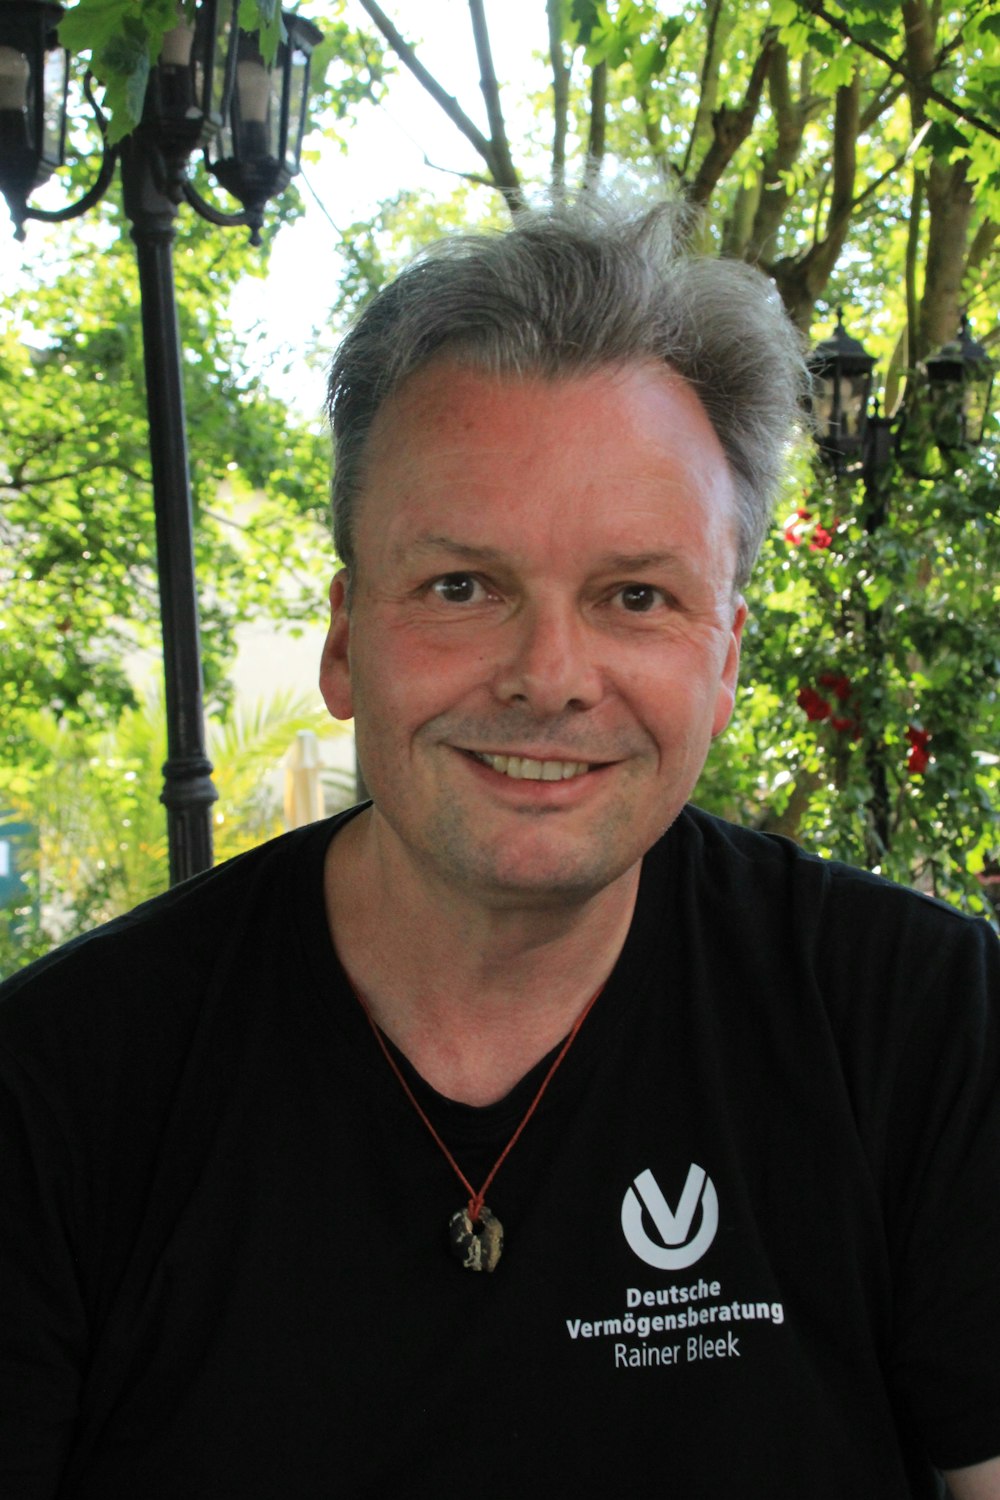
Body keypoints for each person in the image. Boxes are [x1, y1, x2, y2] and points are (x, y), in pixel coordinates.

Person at [1, 200, 998, 1500]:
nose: (549, 677)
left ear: (727, 659)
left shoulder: (922, 1027)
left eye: (635, 596)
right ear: (349, 638)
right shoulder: (57, 1092)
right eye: (463, 587)